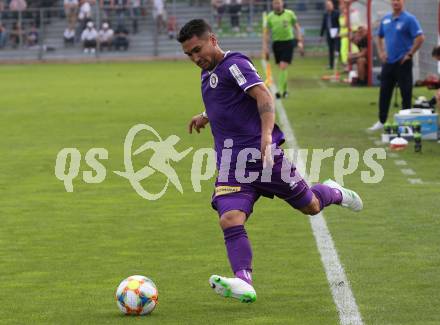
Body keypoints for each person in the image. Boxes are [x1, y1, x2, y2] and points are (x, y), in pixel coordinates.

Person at [178, 19, 363, 303]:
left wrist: (266, 136)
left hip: (264, 159)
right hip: (232, 166)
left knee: (311, 206)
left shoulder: (235, 64)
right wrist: (204, 115)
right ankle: (243, 280)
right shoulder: (208, 73)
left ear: (212, 39)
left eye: (197, 49)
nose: (195, 58)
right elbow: (226, 101)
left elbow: (262, 94)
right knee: (229, 219)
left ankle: (335, 192)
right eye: (189, 54)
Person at [367, 0, 424, 132]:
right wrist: (381, 52)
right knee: (384, 92)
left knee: (406, 92)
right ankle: (381, 121)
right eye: (393, 0)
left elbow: (420, 38)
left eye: (398, 0)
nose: (395, 3)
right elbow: (378, 36)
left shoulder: (409, 19)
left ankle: (405, 123)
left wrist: (410, 54)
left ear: (402, 2)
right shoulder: (386, 19)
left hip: (403, 62)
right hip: (389, 62)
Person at [263, 0, 304, 99]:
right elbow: (267, 33)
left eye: (279, 2)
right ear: (272, 5)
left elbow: (297, 27)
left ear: (282, 3)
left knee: (283, 66)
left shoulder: (290, 14)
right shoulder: (270, 17)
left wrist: (300, 41)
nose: (277, 5)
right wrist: (265, 47)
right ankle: (285, 91)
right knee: (282, 68)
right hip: (276, 44)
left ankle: (279, 91)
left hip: (288, 42)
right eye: (275, 3)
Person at [320, 0, 340, 70]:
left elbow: (339, 24)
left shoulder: (337, 13)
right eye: (327, 5)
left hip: (336, 33)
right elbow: (323, 25)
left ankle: (339, 64)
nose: (328, 6)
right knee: (330, 50)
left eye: (329, 5)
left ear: (332, 5)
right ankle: (331, 65)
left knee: (337, 49)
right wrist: (321, 35)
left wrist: (339, 32)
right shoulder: (325, 14)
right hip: (329, 33)